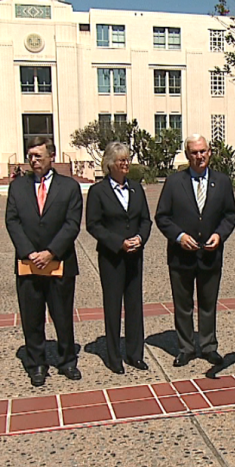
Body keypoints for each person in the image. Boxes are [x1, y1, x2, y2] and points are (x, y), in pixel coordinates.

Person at [5, 137, 83, 386]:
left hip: (59, 262)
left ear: (52, 156)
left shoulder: (69, 187)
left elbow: (72, 224)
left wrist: (51, 252)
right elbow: (12, 221)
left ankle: (67, 360)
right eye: (30, 155)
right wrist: (29, 252)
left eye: (39, 155)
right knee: (32, 316)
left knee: (62, 316)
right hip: (28, 264)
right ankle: (36, 363)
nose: (33, 160)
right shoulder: (17, 187)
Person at [155, 134, 235, 368]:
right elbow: (162, 216)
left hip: (211, 254)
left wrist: (219, 235)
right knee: (183, 305)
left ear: (209, 152)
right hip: (181, 256)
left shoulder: (222, 182)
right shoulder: (174, 182)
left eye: (203, 151)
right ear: (187, 155)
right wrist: (179, 236)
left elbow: (230, 214)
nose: (199, 156)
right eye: (194, 152)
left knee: (208, 303)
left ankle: (209, 346)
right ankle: (186, 348)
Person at [85, 142, 152, 374]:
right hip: (112, 258)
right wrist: (118, 242)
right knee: (113, 306)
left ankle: (135, 354)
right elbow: (93, 225)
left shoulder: (136, 188)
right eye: (121, 160)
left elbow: (145, 219)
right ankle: (114, 357)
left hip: (135, 256)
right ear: (110, 164)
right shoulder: (98, 191)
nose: (126, 164)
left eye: (127, 159)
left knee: (134, 306)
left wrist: (140, 238)